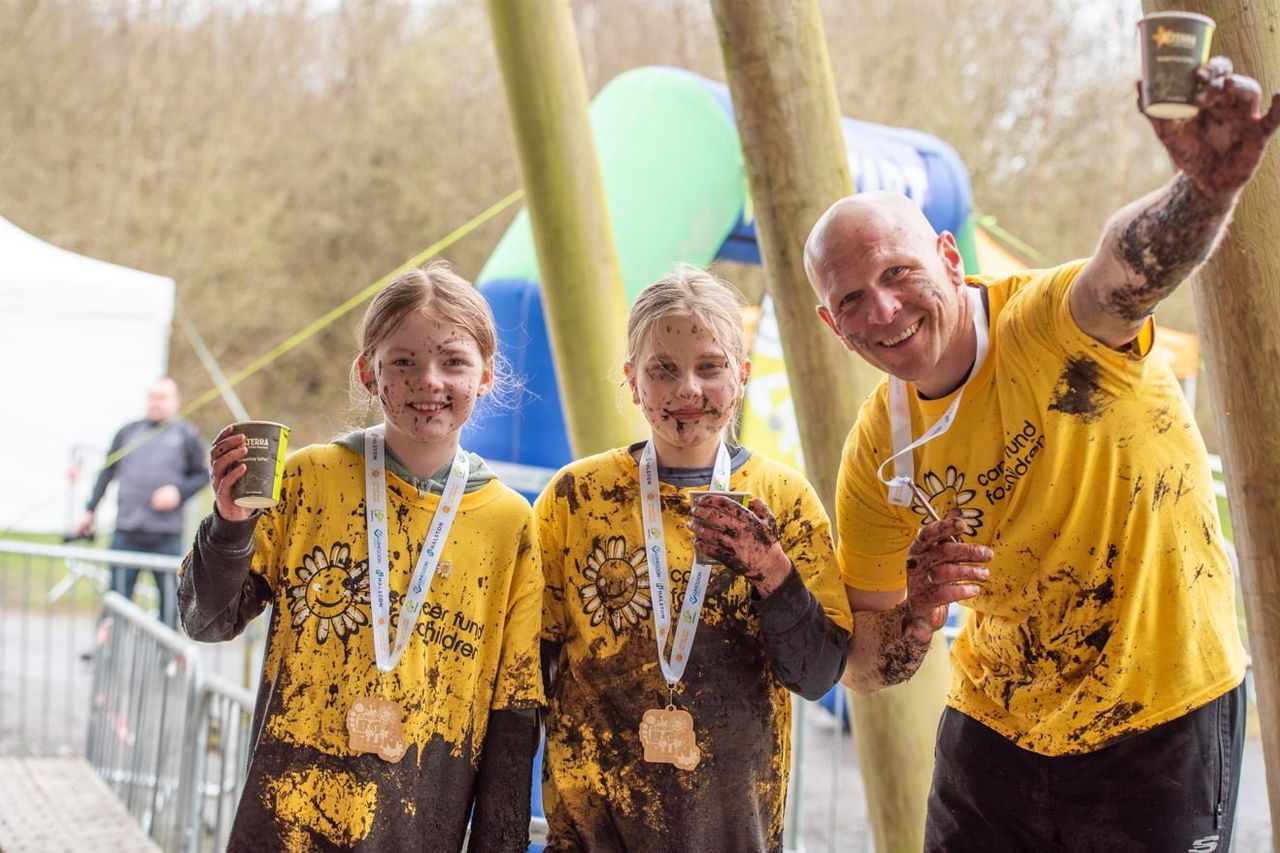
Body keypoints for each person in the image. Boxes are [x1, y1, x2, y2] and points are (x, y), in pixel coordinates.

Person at [805, 57, 1280, 851]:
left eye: (898, 273)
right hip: (998, 733)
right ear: (831, 323)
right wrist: (920, 606)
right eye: (852, 298)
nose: (882, 309)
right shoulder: (877, 454)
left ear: (951, 261)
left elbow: (1126, 269)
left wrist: (1206, 190)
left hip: (1159, 714)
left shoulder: (1052, 326)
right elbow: (866, 665)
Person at [177, 261, 543, 851]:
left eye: (453, 361)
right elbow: (207, 619)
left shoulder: (509, 523)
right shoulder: (308, 479)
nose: (429, 380)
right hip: (284, 823)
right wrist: (229, 523)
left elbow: (513, 716)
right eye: (403, 361)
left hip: (420, 827)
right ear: (368, 374)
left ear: (485, 376)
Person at [535, 268, 852, 852]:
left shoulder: (783, 498)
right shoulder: (576, 497)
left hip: (735, 830)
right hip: (592, 832)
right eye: (663, 369)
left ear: (742, 375)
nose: (687, 391)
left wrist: (772, 574)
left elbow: (815, 677)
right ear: (633, 380)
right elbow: (528, 672)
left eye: (710, 366)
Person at [77, 377, 207, 627]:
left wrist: (178, 492)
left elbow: (201, 476)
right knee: (116, 600)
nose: (156, 403)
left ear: (176, 401)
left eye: (163, 397)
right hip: (127, 531)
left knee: (171, 602)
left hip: (165, 536)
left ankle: (167, 660)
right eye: (152, 397)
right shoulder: (128, 432)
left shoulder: (186, 435)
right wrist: (89, 510)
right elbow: (106, 472)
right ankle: (110, 654)